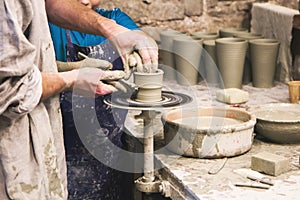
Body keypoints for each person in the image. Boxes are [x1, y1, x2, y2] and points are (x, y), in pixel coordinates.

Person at [0, 0, 158, 199]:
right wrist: (70, 77)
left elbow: (50, 4)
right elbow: (10, 89)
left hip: (98, 146)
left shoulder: (115, 18)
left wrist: (110, 28)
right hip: (16, 157)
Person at [48, 1, 141, 199]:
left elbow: (138, 38)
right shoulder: (50, 21)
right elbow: (25, 74)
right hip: (63, 143)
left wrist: (141, 50)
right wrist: (69, 70)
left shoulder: (115, 19)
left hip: (110, 145)